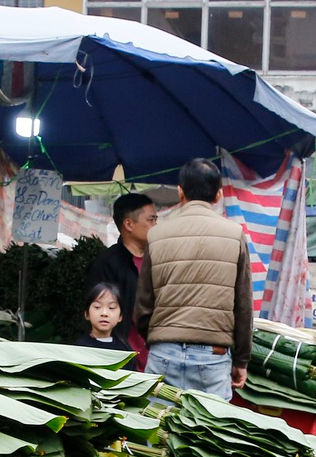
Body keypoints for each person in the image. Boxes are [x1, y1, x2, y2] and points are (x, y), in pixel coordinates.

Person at [134, 159, 253, 398]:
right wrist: (241, 360)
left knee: (157, 430)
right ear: (218, 195)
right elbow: (243, 306)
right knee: (209, 433)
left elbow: (143, 306)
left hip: (163, 353)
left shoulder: (156, 235)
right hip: (214, 356)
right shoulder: (234, 235)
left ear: (180, 192)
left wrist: (162, 339)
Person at [89, 191, 157, 366]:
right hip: (124, 358)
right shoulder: (108, 263)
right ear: (129, 224)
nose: (155, 225)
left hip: (158, 357)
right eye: (151, 220)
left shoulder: (158, 258)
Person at [74, 282, 133, 358]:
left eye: (111, 307)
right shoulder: (79, 349)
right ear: (87, 314)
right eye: (97, 307)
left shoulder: (124, 352)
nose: (104, 313)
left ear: (120, 316)